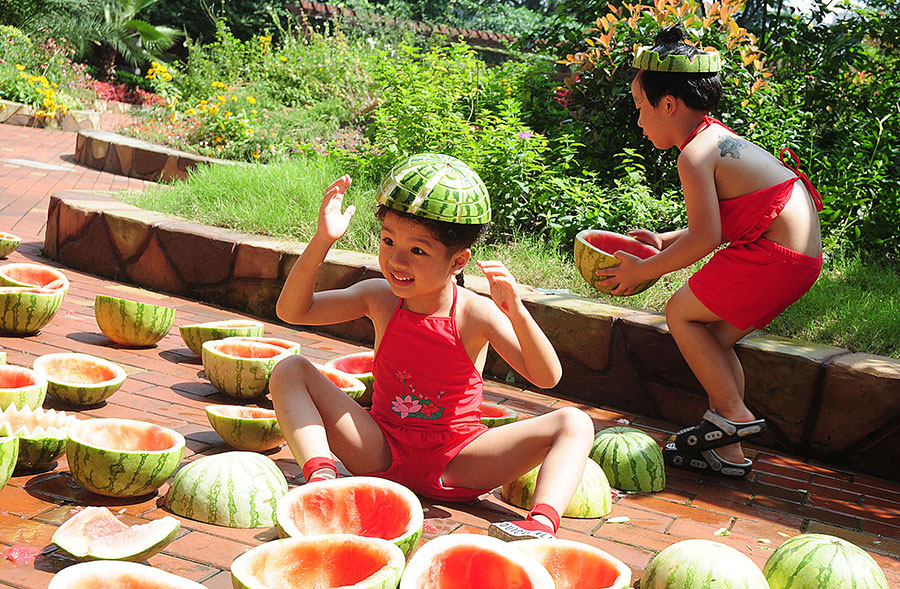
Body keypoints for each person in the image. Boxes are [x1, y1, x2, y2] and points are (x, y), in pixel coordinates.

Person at [270, 153, 595, 540]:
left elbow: (546, 377)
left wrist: (517, 312)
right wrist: (323, 240)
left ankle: (540, 524)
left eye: (417, 251)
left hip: (458, 462)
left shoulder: (475, 313)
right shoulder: (379, 297)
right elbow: (293, 311)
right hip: (378, 450)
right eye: (388, 241)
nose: (396, 260)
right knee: (290, 369)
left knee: (575, 422)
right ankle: (322, 482)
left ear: (458, 261)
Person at [600, 26, 823, 477]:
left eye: (640, 107)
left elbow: (705, 239)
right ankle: (728, 452)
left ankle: (734, 418)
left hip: (775, 254)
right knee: (713, 342)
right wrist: (664, 241)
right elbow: (722, 222)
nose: (639, 121)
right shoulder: (712, 138)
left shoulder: (695, 155)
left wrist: (645, 270)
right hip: (796, 257)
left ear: (668, 104)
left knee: (680, 313)